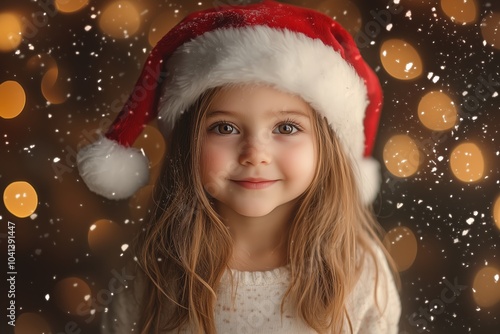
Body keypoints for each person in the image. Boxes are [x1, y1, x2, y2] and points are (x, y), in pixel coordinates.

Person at [77, 1, 401, 333]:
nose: (254, 154)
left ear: (327, 147)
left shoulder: (361, 272)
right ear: (189, 143)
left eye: (286, 128)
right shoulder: (155, 270)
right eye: (225, 128)